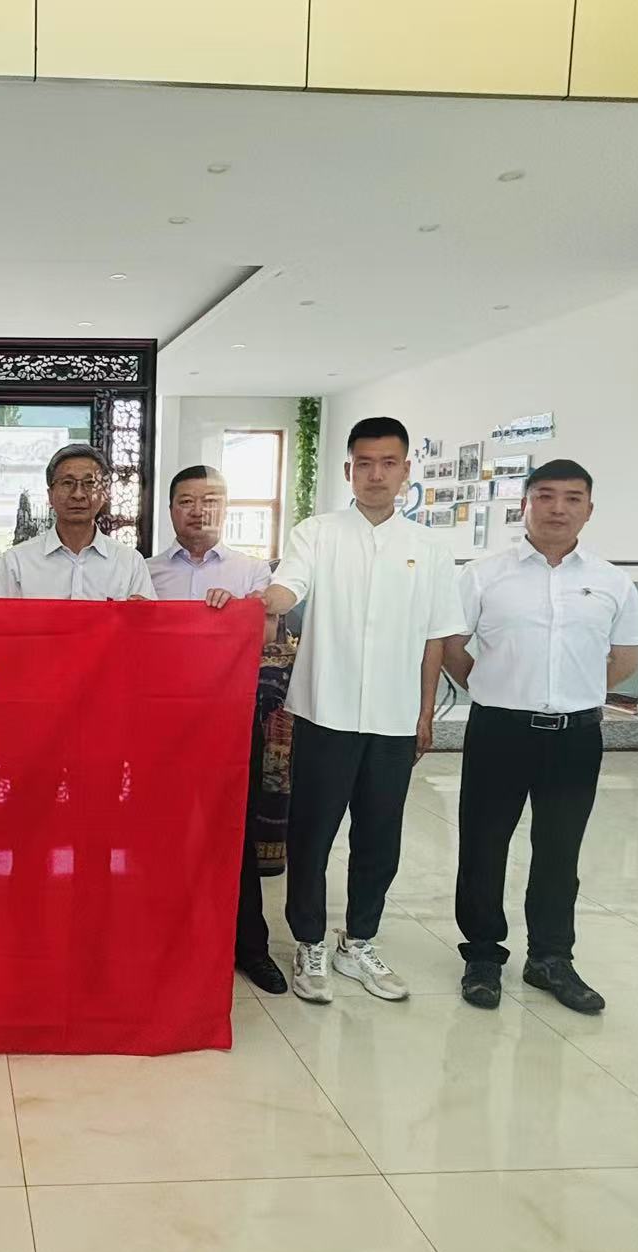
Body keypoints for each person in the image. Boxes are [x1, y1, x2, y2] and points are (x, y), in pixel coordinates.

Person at [259, 417, 463, 1005]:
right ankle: (309, 942)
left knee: (380, 837)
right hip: (325, 712)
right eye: (365, 463)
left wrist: (425, 715)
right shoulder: (317, 533)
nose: (376, 474)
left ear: (405, 470)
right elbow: (290, 587)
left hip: (394, 720)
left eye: (388, 463)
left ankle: (359, 940)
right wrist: (265, 600)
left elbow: (435, 639)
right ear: (349, 469)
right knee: (312, 835)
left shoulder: (429, 548)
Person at [443, 459, 638, 1015]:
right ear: (525, 505)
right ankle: (482, 956)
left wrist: (575, 689)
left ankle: (551, 958)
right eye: (546, 496)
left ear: (589, 509)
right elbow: (454, 649)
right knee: (483, 846)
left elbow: (627, 656)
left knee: (560, 851)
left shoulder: (612, 581)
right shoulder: (484, 575)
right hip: (499, 732)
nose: (559, 509)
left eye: (572, 498)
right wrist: (494, 687)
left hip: (575, 738)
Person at [151, 465, 285, 994]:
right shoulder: (147, 572)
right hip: (161, 725)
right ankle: (169, 941)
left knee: (234, 833)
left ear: (225, 509)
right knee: (164, 833)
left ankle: (250, 947)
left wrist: (233, 616)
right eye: (186, 501)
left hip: (230, 722)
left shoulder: (251, 573)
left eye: (210, 500)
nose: (198, 510)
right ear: (171, 510)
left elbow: (266, 633)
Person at [0, 444, 151, 600]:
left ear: (104, 494)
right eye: (67, 483)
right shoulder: (16, 562)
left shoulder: (130, 562)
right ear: (50, 495)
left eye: (90, 483)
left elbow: (147, 618)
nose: (78, 494)